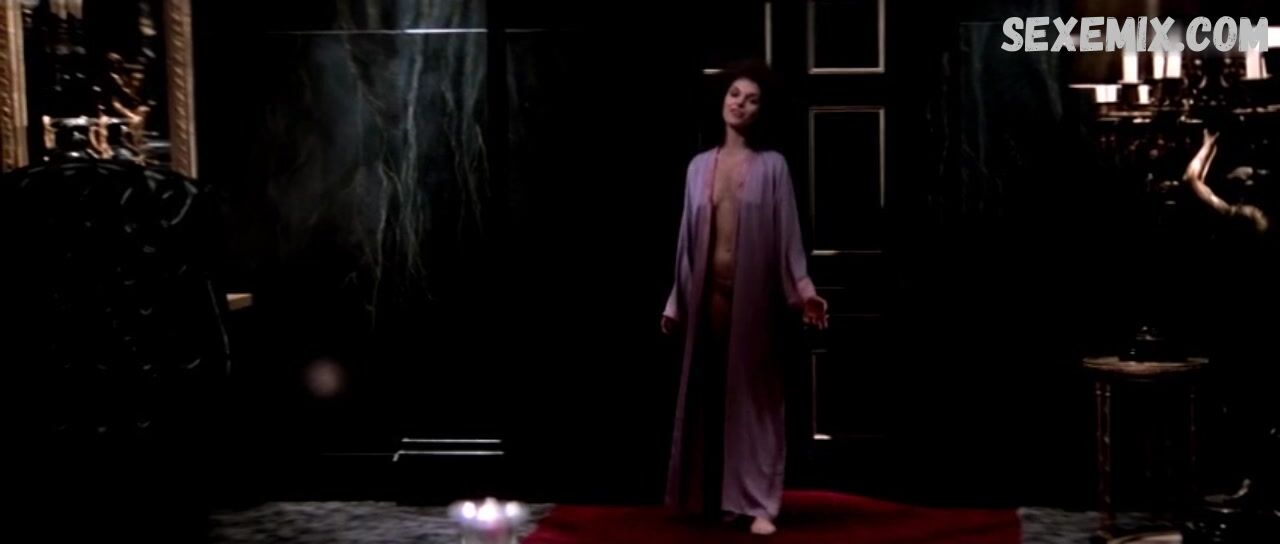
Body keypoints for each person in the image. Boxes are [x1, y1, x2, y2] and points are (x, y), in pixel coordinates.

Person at [660, 60, 828, 536]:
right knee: (714, 398)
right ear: (722, 99)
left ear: (761, 110)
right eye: (735, 94)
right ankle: (720, 497)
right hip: (707, 299)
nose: (741, 104)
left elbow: (788, 236)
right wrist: (675, 303)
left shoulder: (772, 167)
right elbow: (686, 242)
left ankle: (759, 503)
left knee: (756, 401)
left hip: (755, 299)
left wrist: (805, 292)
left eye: (752, 99)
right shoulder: (699, 167)